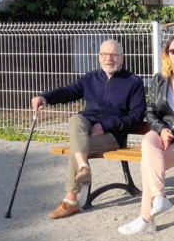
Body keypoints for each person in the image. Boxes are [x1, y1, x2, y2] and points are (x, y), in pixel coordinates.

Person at [31, 40, 146, 220]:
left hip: (112, 136)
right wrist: (44, 97)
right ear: (99, 57)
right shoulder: (90, 78)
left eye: (114, 55)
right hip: (87, 128)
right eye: (105, 54)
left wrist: (106, 126)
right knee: (76, 119)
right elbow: (67, 92)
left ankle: (71, 200)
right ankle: (83, 166)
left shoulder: (133, 82)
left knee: (77, 148)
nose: (109, 58)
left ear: (122, 58)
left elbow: (136, 117)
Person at [118, 35, 174, 235]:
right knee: (148, 139)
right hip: (163, 135)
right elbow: (150, 111)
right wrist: (162, 130)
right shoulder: (159, 80)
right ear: (167, 54)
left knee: (146, 164)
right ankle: (159, 197)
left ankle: (146, 218)